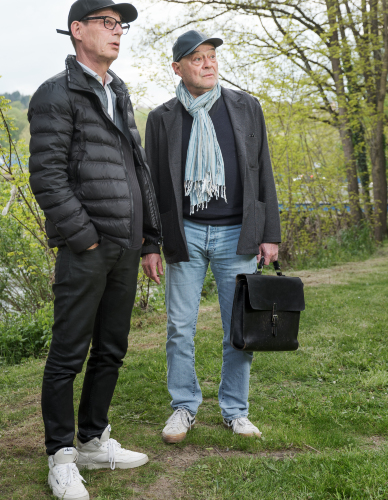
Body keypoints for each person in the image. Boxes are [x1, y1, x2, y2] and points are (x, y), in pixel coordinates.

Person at [28, 1, 162, 498]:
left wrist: (150, 238)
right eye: (107, 23)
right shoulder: (55, 94)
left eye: (120, 25)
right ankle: (60, 455)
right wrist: (83, 236)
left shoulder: (117, 92)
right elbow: (46, 175)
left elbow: (136, 171)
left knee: (111, 348)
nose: (118, 32)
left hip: (126, 247)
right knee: (68, 354)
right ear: (77, 30)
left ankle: (91, 438)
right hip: (86, 248)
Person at [142, 30, 281, 445]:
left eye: (211, 57)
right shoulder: (162, 118)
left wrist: (268, 233)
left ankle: (236, 410)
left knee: (239, 325)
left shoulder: (245, 107)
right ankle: (183, 408)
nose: (207, 64)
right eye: (197, 58)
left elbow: (264, 172)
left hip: (237, 233)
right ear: (177, 68)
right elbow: (151, 188)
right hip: (183, 233)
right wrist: (150, 243)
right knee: (179, 327)